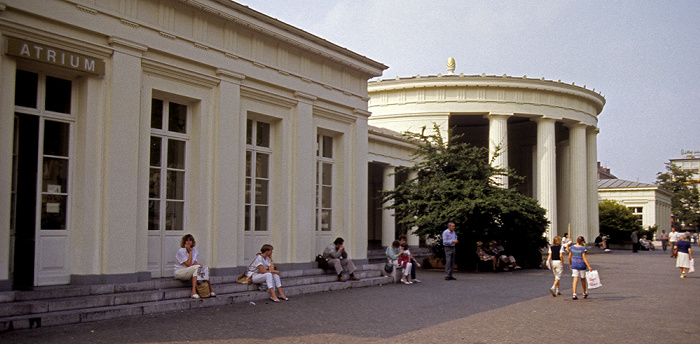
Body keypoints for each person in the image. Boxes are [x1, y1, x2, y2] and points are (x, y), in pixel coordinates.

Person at [174, 234, 216, 299]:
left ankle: (210, 289)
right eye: (187, 240)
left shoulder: (195, 251)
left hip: (190, 271)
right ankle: (193, 291)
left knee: (204, 268)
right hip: (180, 272)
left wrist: (200, 265)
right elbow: (188, 264)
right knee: (197, 267)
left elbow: (194, 264)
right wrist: (190, 252)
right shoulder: (181, 251)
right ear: (184, 242)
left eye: (190, 240)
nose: (189, 242)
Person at [568, 236, 593, 300]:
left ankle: (574, 294)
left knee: (575, 279)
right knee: (583, 279)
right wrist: (589, 266)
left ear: (576, 241)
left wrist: (570, 264)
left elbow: (569, 257)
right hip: (582, 265)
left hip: (574, 265)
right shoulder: (583, 248)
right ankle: (584, 293)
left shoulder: (572, 248)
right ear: (582, 241)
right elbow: (584, 258)